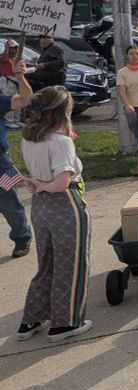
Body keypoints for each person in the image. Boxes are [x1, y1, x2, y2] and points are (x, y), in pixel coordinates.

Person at [16, 85, 92, 343]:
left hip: (40, 207)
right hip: (65, 204)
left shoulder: (29, 138)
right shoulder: (61, 143)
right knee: (70, 264)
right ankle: (65, 323)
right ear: (64, 110)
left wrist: (38, 185)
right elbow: (61, 183)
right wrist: (45, 185)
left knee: (46, 263)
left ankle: (31, 319)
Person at [0, 57, 34, 258]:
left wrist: (20, 77)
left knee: (9, 201)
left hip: (0, 164)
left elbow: (25, 99)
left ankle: (22, 237)